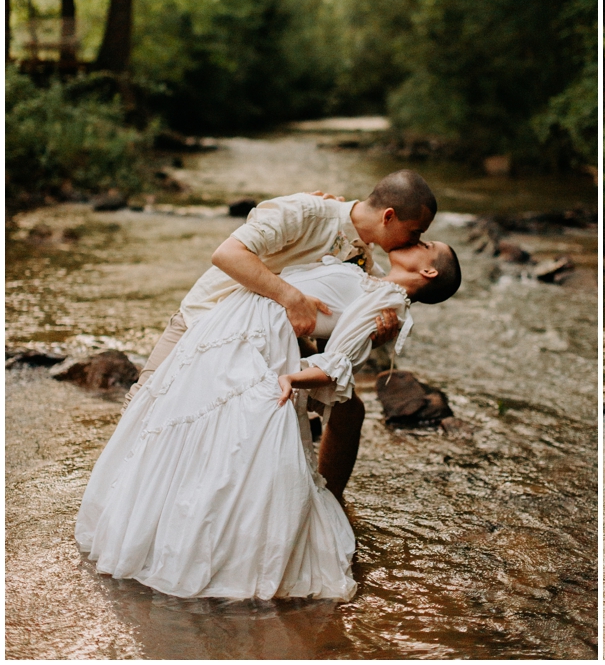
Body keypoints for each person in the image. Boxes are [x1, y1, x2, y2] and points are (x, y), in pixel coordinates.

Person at [76, 239, 462, 601]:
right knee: (193, 435)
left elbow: (338, 364)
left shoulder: (386, 304)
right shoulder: (373, 277)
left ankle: (203, 550)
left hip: (252, 344)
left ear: (428, 272)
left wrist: (292, 378)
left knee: (227, 451)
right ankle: (168, 537)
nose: (418, 239)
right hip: (234, 329)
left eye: (427, 246)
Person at [125, 169, 437, 499]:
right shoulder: (305, 211)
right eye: (415, 232)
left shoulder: (367, 261)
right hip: (206, 318)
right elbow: (226, 255)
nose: (415, 242)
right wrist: (290, 296)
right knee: (143, 407)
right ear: (389, 216)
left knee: (348, 412)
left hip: (274, 341)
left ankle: (327, 502)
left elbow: (337, 336)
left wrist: (375, 335)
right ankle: (132, 496)